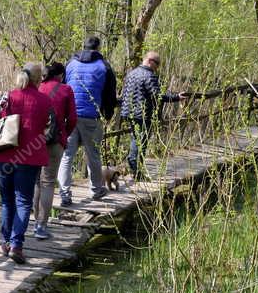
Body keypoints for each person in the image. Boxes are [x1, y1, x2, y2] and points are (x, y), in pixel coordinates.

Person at [0, 62, 54, 264]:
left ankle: (5, 242)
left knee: (7, 201)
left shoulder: (7, 97)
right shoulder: (45, 100)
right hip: (29, 158)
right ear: (39, 79)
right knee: (23, 201)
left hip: (4, 156)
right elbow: (50, 128)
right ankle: (17, 245)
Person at [58, 36, 118, 205]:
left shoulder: (70, 64)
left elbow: (62, 87)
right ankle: (96, 190)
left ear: (83, 47)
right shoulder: (104, 67)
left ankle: (65, 194)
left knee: (66, 156)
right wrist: (107, 114)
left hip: (70, 116)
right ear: (98, 48)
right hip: (92, 116)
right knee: (93, 155)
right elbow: (110, 95)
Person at [120, 50, 186, 179]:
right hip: (142, 114)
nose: (157, 67)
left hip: (129, 112)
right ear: (150, 61)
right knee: (140, 142)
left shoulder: (131, 73)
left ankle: (135, 168)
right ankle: (136, 169)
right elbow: (157, 95)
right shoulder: (149, 75)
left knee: (136, 138)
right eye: (157, 64)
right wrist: (176, 97)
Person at [33, 62, 77, 240]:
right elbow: (72, 118)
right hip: (55, 140)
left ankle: (36, 220)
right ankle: (41, 226)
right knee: (48, 182)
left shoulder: (37, 87)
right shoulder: (66, 90)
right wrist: (64, 133)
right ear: (60, 75)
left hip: (34, 142)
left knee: (37, 180)